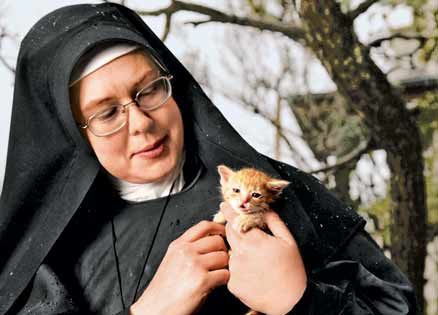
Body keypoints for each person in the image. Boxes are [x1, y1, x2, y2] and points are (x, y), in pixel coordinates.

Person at [0, 3, 418, 315]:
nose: (142, 123)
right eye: (107, 113)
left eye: (149, 90)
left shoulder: (281, 197)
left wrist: (301, 300)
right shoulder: (48, 265)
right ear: (75, 134)